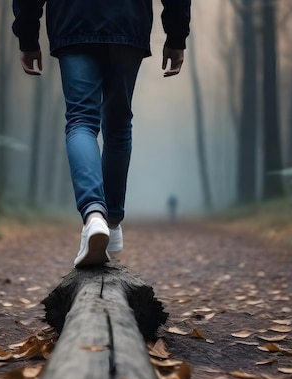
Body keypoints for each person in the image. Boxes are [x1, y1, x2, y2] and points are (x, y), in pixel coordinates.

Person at [12, 0, 191, 268]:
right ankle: (113, 222)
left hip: (73, 19)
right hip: (127, 19)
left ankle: (94, 215)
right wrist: (176, 36)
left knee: (81, 120)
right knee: (118, 125)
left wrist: (28, 36)